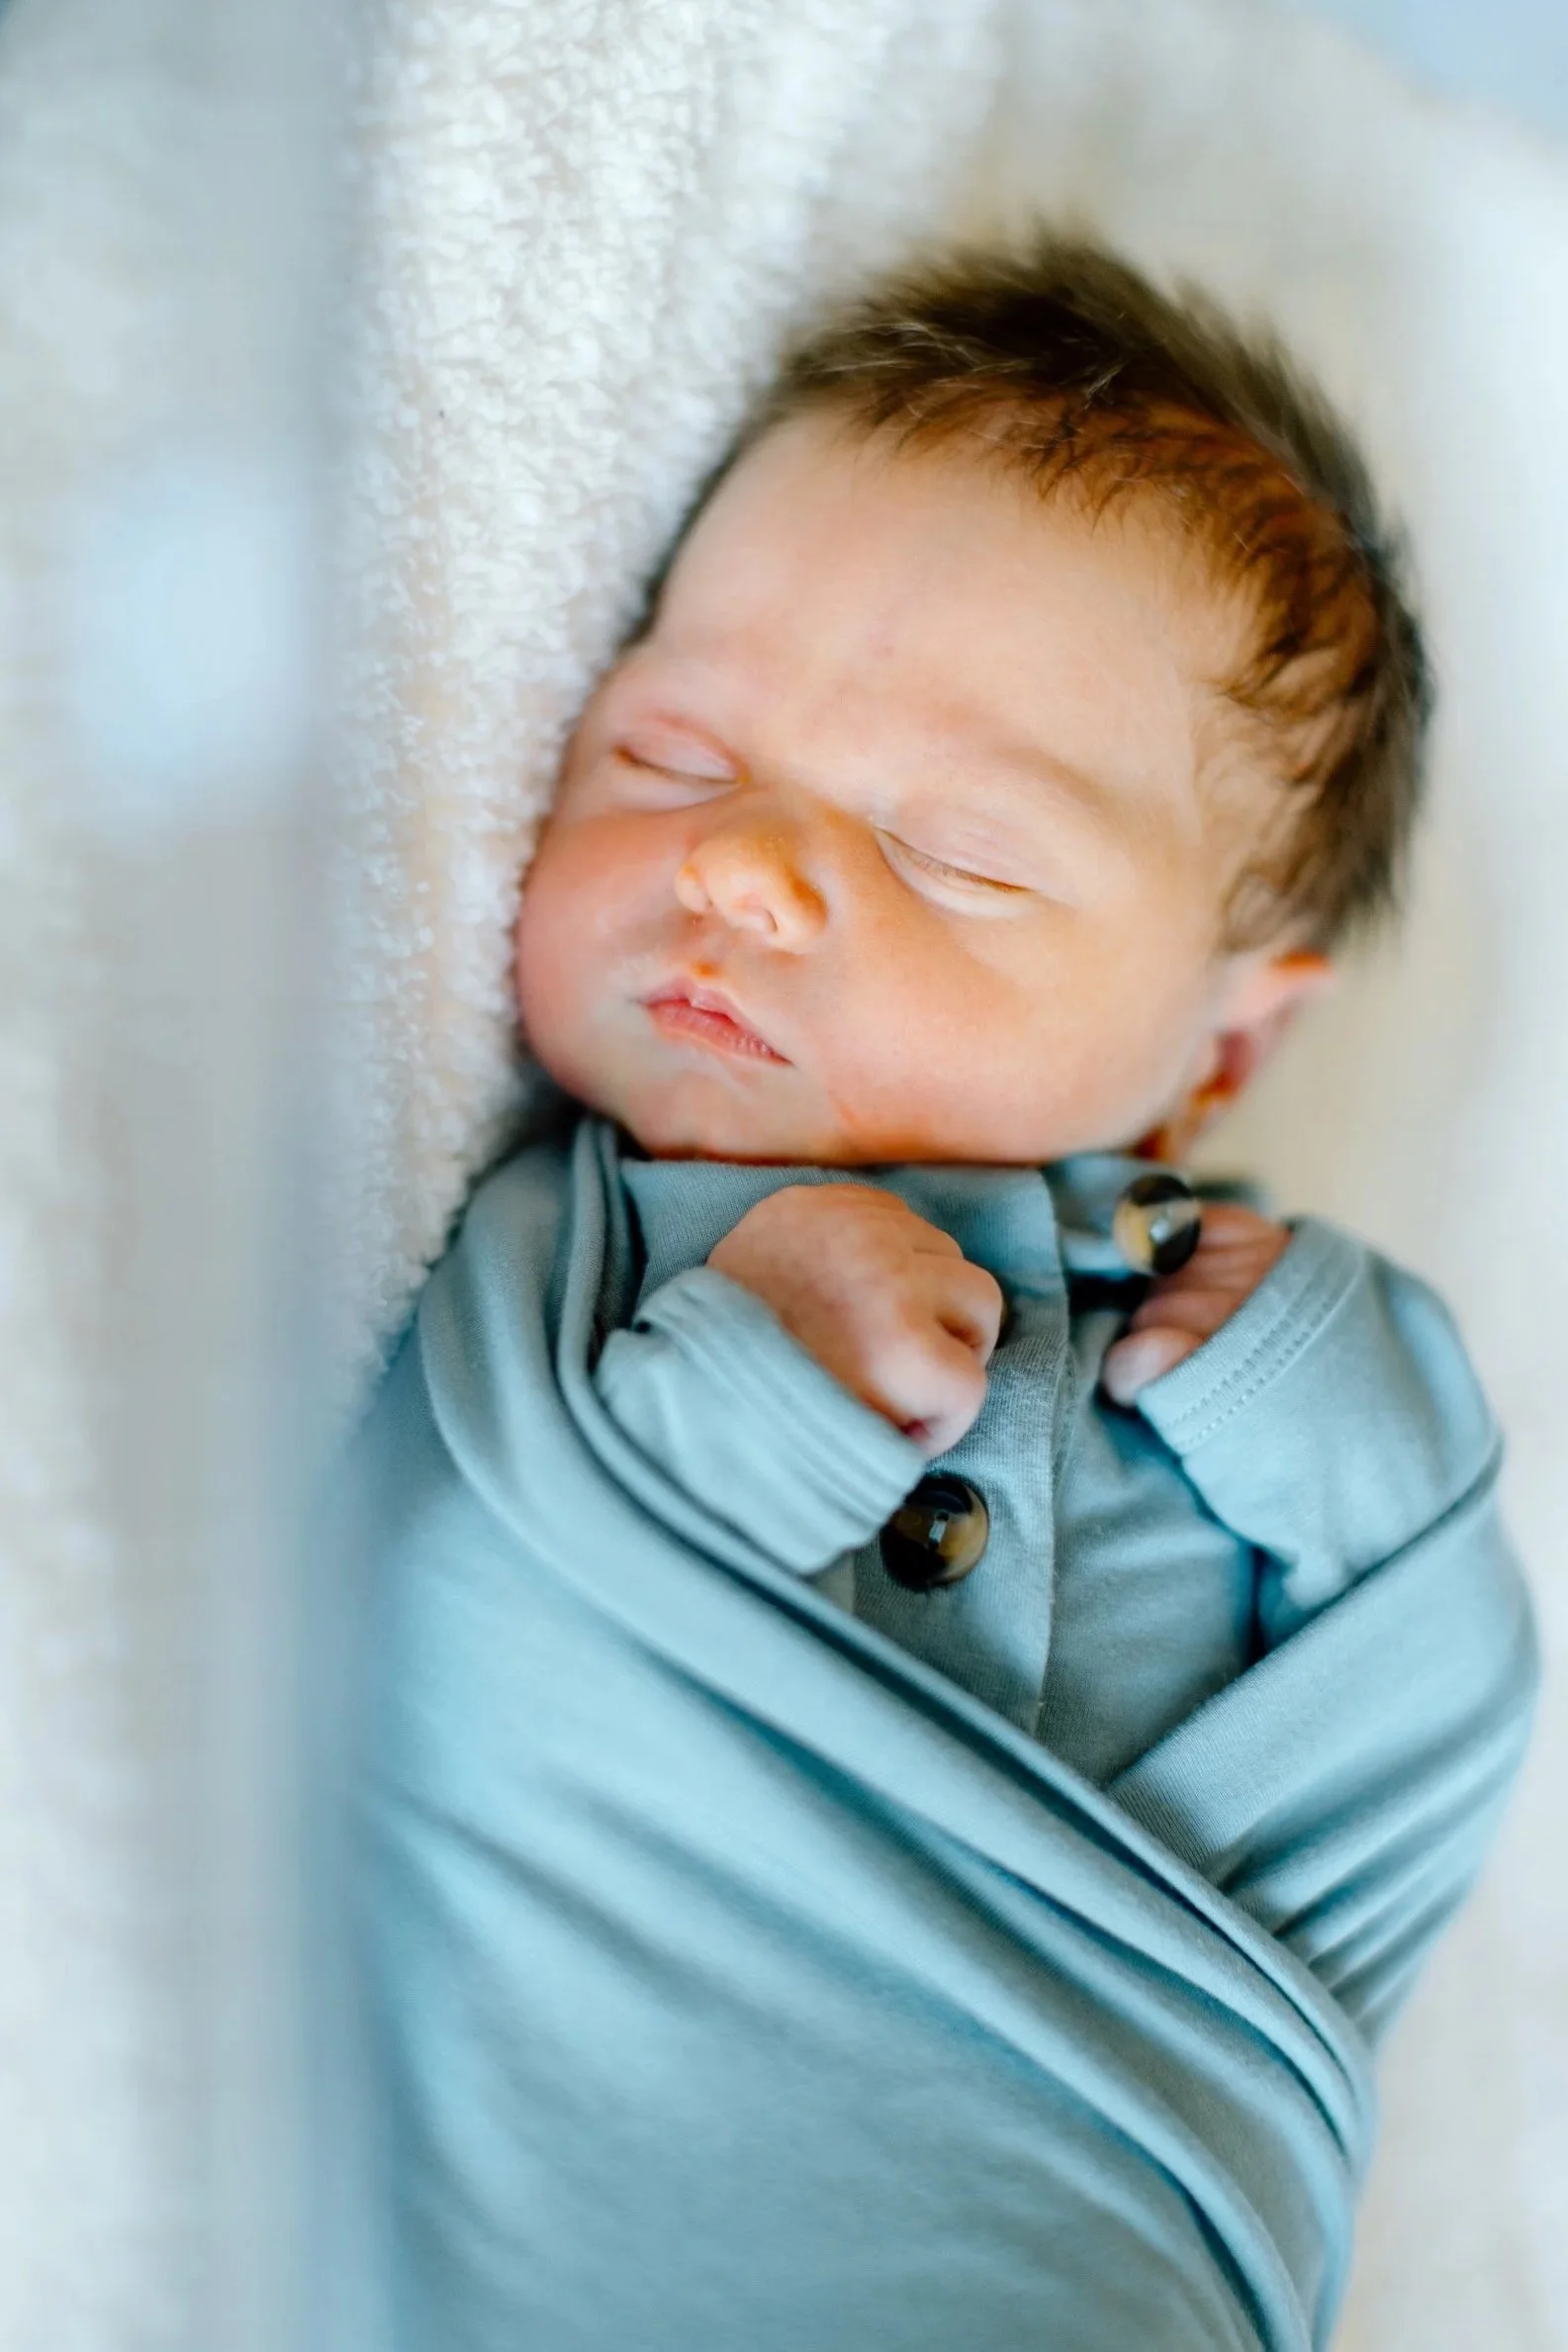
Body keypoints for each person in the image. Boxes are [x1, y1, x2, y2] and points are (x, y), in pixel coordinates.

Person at [354, 239, 1537, 2351]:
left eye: (961, 853)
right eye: (670, 753)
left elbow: (1423, 1737)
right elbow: (398, 1646)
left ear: (1227, 1046)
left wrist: (1350, 1407)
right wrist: (743, 1398)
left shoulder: (1230, 1335)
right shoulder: (551, 1272)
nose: (743, 865)